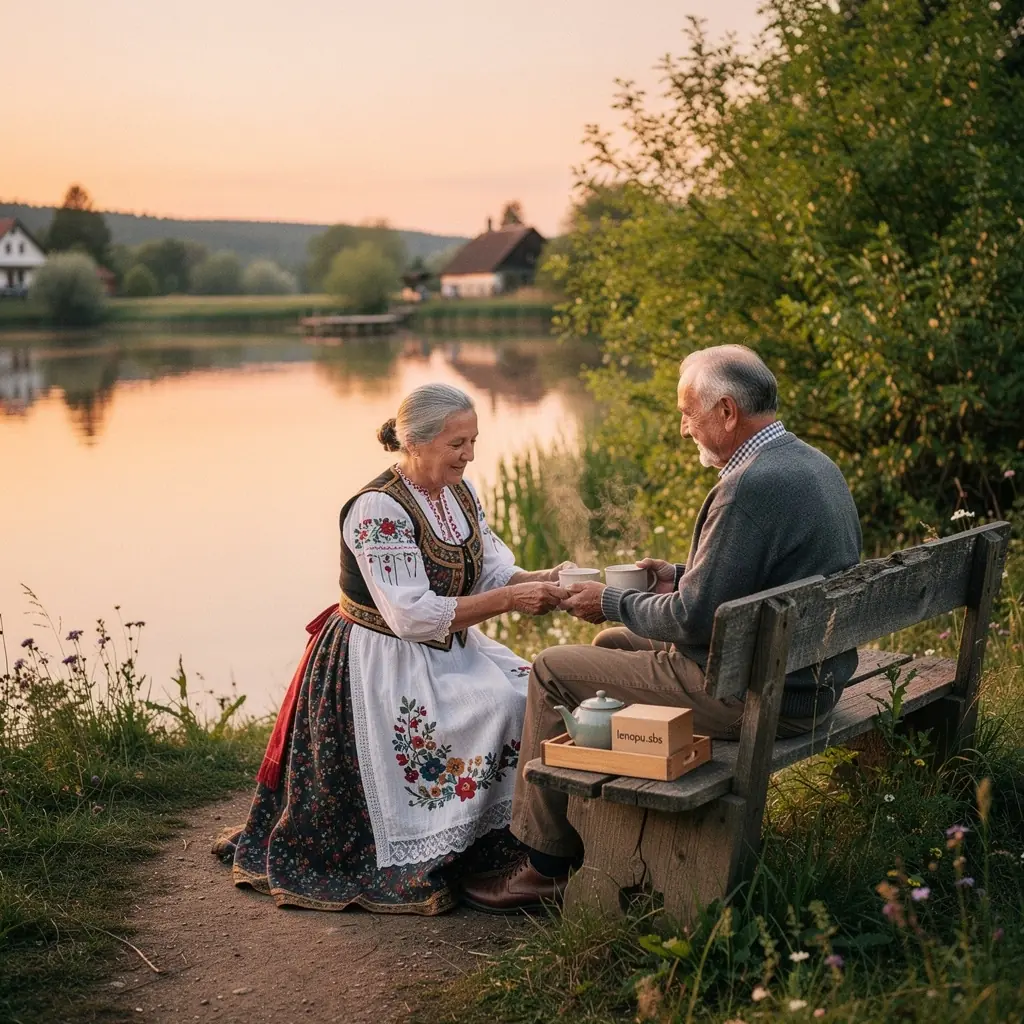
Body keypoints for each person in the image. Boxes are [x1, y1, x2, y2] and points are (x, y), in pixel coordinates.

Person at [462, 344, 863, 912]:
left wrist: (612, 599)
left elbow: (692, 619)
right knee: (611, 649)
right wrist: (674, 574)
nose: (682, 428)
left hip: (761, 693)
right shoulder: (809, 463)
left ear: (726, 411)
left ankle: (545, 865)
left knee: (554, 669)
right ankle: (611, 822)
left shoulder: (747, 485)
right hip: (805, 676)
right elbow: (746, 581)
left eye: (688, 412)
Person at [216, 383, 570, 915]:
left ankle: (508, 842)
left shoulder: (460, 495)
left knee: (529, 692)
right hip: (385, 657)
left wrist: (547, 580)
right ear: (417, 442)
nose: (469, 455)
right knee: (494, 708)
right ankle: (433, 850)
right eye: (458, 444)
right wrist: (511, 600)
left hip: (450, 645)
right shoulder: (377, 509)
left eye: (473, 441)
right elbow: (410, 615)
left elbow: (490, 569)